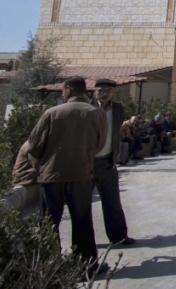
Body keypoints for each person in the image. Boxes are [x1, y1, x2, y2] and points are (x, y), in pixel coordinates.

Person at [27, 76, 107, 267]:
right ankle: (85, 265)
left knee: (48, 223)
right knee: (82, 221)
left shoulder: (52, 113)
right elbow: (100, 144)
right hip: (81, 174)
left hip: (52, 176)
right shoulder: (97, 114)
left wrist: (42, 166)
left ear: (69, 89)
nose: (62, 93)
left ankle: (47, 266)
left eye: (63, 90)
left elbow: (34, 145)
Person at [91, 78, 136, 246]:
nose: (104, 94)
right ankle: (87, 242)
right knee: (82, 204)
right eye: (101, 90)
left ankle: (118, 236)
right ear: (94, 91)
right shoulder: (87, 108)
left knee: (113, 202)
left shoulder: (117, 109)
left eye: (108, 91)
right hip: (87, 162)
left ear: (113, 93)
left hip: (107, 161)